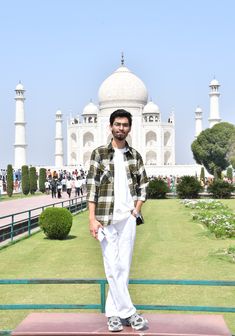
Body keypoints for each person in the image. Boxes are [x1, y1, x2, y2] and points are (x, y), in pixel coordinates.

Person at [86, 109, 149, 332]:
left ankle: (113, 314)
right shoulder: (99, 154)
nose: (121, 128)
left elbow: (143, 186)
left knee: (123, 266)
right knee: (112, 266)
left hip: (128, 218)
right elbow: (92, 187)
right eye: (117, 124)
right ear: (110, 126)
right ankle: (129, 312)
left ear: (130, 128)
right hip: (105, 218)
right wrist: (91, 219)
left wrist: (135, 212)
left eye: (124, 124)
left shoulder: (135, 155)